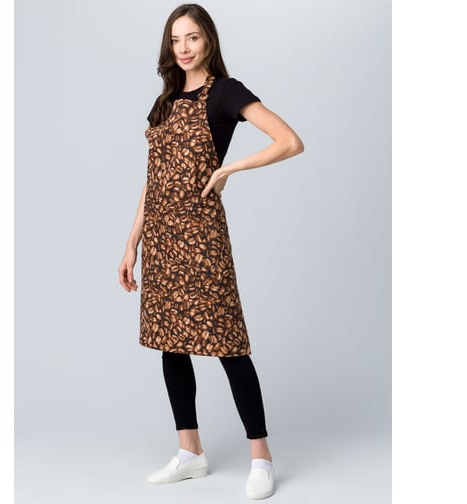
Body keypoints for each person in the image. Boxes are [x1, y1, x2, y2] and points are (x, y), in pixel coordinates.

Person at [118, 3, 304, 500]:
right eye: (176, 39)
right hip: (161, 239)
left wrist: (229, 168)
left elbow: (289, 141)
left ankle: (261, 457)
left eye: (193, 38)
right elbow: (153, 179)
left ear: (208, 41)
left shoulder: (225, 92)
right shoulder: (163, 103)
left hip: (202, 238)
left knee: (228, 344)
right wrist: (132, 242)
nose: (183, 48)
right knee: (171, 343)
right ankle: (190, 453)